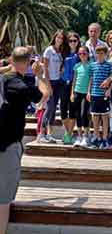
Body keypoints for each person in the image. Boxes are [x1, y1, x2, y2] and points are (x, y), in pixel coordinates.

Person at [0, 47, 50, 234]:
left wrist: (12, 64)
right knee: (3, 199)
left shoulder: (4, 79)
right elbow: (44, 95)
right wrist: (41, 74)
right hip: (7, 145)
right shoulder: (21, 85)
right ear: (28, 63)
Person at [40, 30, 69, 143]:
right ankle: (41, 134)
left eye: (62, 38)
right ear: (55, 37)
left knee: (53, 110)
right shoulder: (49, 50)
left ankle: (49, 134)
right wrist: (48, 85)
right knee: (50, 107)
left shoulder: (60, 51)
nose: (60, 40)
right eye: (58, 37)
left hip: (58, 82)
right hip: (50, 82)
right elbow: (45, 69)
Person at [87, 45, 112, 149]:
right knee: (95, 116)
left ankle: (105, 138)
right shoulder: (92, 65)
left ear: (105, 54)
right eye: (97, 53)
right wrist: (88, 92)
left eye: (102, 53)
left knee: (105, 116)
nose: (99, 55)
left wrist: (109, 90)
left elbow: (111, 79)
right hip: (94, 94)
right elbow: (91, 79)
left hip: (104, 95)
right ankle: (96, 137)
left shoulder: (109, 65)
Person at [60, 32, 80, 144]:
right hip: (63, 83)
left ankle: (69, 134)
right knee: (63, 109)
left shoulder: (80, 54)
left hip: (75, 84)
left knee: (72, 110)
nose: (72, 43)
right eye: (70, 40)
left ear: (78, 42)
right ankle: (68, 133)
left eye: (75, 41)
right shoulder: (64, 53)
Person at [70, 45, 92, 148]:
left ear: (88, 54)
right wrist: (72, 93)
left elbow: (91, 80)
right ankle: (79, 136)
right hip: (77, 92)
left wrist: (88, 92)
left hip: (85, 93)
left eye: (84, 53)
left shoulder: (90, 65)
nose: (82, 55)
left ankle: (86, 136)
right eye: (80, 54)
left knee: (84, 114)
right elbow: (74, 80)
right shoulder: (77, 66)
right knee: (77, 114)